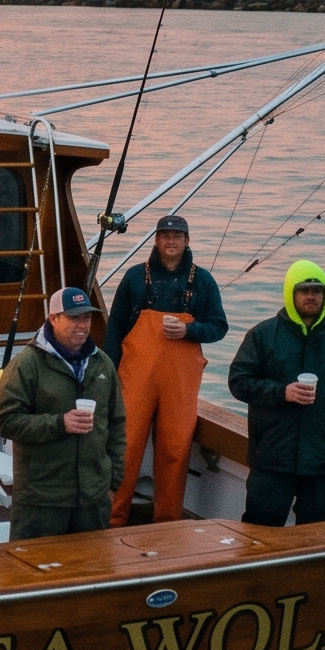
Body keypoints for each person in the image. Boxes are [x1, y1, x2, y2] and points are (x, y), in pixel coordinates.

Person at [103, 214, 228, 525]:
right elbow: (115, 330)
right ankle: (112, 518)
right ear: (156, 241)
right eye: (165, 235)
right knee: (126, 446)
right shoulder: (134, 277)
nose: (171, 241)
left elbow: (219, 327)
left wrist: (190, 331)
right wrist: (108, 376)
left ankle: (168, 522)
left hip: (180, 382)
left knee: (175, 448)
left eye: (177, 236)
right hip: (135, 377)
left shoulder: (203, 281)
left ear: (187, 241)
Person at [227, 259, 325, 526]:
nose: (310, 296)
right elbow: (238, 381)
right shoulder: (263, 335)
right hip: (272, 458)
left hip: (323, 462)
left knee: (316, 540)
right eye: (303, 290)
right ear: (290, 293)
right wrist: (282, 392)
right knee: (259, 536)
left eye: (317, 291)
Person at [0, 287, 126, 539]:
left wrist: (112, 483)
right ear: (53, 318)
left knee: (92, 572)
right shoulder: (26, 364)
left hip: (92, 500)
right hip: (41, 500)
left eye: (86, 318)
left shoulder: (103, 364)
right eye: (74, 318)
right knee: (33, 574)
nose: (82, 325)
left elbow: (117, 425)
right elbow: (5, 421)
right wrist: (59, 423)